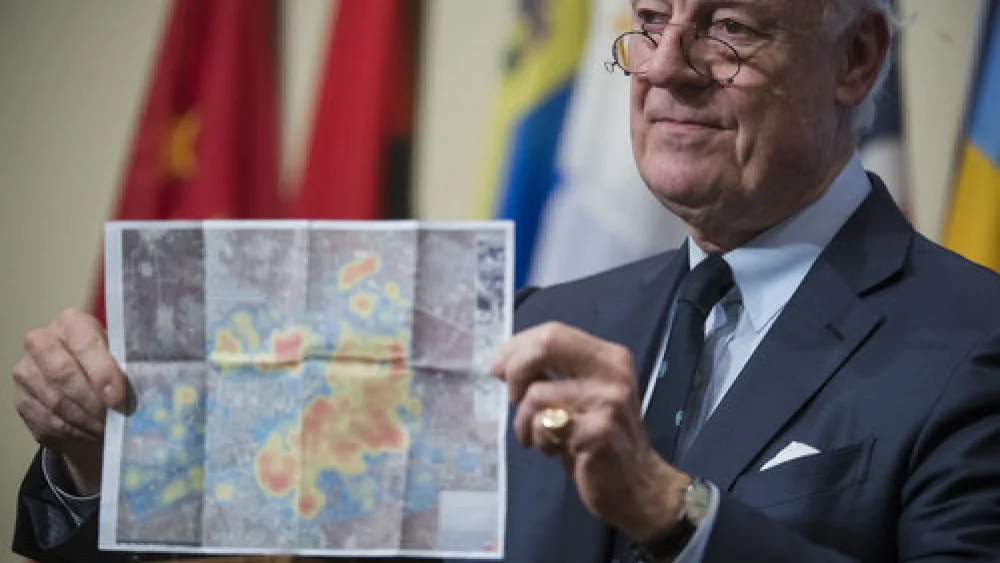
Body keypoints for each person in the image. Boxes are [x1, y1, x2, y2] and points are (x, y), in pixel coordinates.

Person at [12, 0, 1000, 561]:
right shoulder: (542, 320)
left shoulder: (972, 342)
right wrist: (105, 466)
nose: (664, 66)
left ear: (855, 57)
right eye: (651, 17)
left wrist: (672, 508)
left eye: (727, 27)